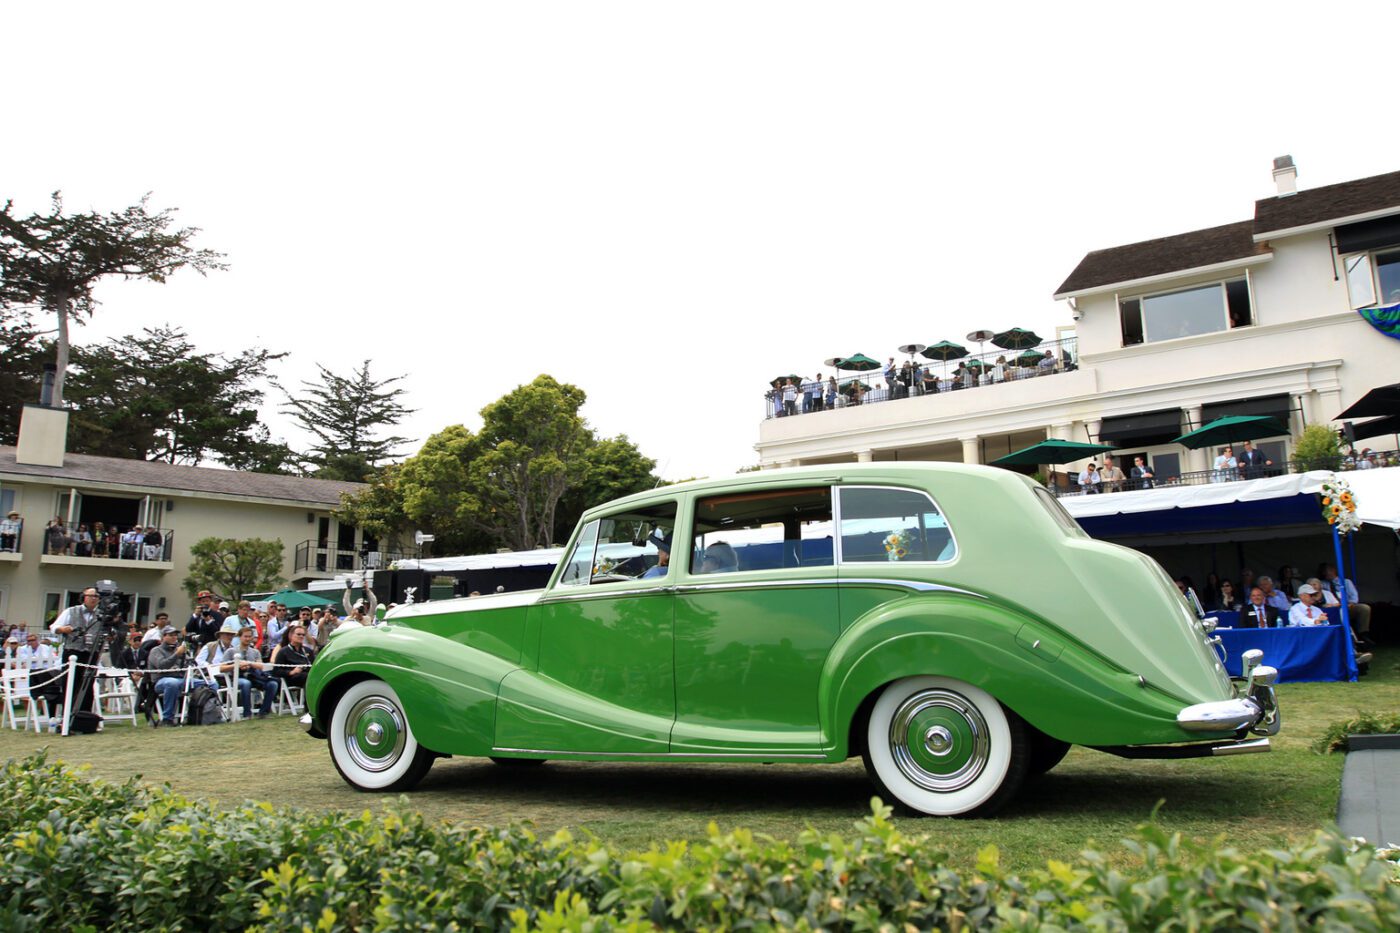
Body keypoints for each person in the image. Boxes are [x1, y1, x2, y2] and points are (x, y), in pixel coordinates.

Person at [229, 625, 278, 717]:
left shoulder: (255, 652)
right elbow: (221, 668)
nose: (247, 639)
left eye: (249, 636)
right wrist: (237, 665)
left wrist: (249, 664)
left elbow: (260, 666)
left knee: (273, 684)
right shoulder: (231, 651)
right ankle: (247, 713)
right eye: (245, 636)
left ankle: (263, 711)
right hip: (237, 678)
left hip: (254, 676)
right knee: (246, 683)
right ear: (240, 637)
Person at [146, 626, 191, 727]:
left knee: (209, 683)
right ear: (163, 637)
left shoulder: (180, 649)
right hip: (161, 681)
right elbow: (162, 666)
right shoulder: (156, 651)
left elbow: (190, 665)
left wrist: (186, 658)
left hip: (181, 680)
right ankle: (167, 719)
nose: (174, 637)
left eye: (175, 635)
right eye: (171, 635)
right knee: (171, 683)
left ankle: (203, 715)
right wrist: (177, 654)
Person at [1319, 563, 1372, 647]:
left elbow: (1354, 597)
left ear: (1333, 570)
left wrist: (1350, 604)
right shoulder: (1322, 584)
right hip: (1332, 609)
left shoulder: (1346, 582)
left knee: (1364, 608)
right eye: (1323, 571)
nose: (1325, 573)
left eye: (1326, 570)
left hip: (1347, 607)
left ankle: (1363, 634)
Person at [270, 625, 314, 692]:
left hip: (307, 675)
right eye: (298, 634)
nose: (301, 636)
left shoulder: (308, 651)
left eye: (303, 635)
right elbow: (276, 671)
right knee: (308, 677)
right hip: (291, 678)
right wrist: (291, 672)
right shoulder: (283, 651)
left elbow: (313, 665)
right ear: (291, 635)